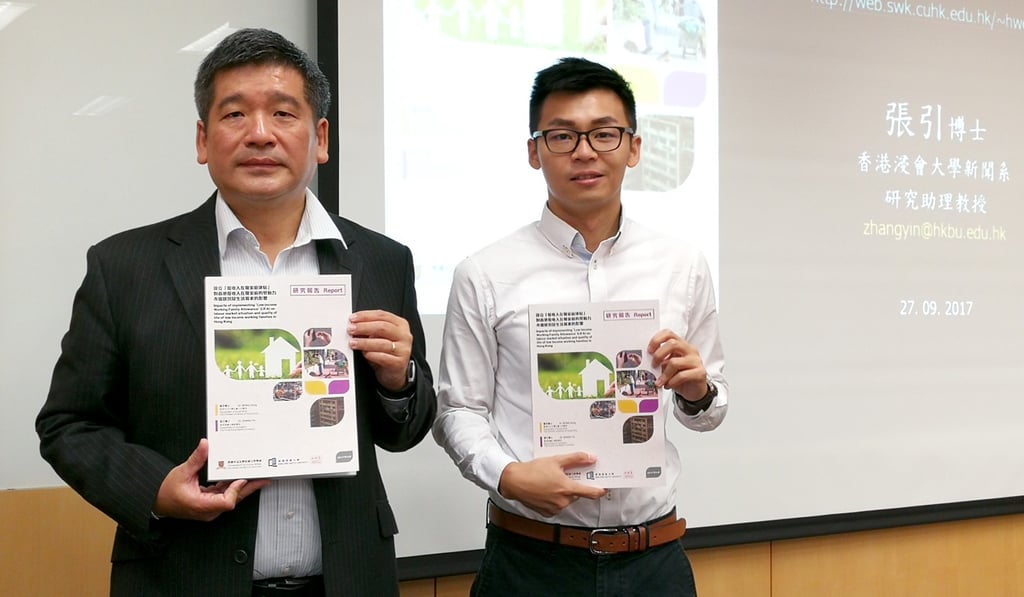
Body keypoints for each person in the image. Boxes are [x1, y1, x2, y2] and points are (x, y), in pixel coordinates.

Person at [36, 28, 435, 597]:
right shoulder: (124, 266)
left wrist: (400, 380)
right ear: (203, 139)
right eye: (234, 115)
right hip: (182, 575)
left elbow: (406, 430)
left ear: (320, 138)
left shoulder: (380, 261)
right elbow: (67, 426)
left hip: (348, 578)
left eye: (283, 113)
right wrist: (155, 489)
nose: (260, 134)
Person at [433, 57, 728, 596]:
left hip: (652, 562)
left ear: (634, 148)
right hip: (530, 561)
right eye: (562, 136)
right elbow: (458, 410)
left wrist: (697, 392)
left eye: (604, 134)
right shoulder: (485, 273)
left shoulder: (681, 265)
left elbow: (709, 410)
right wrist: (507, 476)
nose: (585, 151)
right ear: (534, 151)